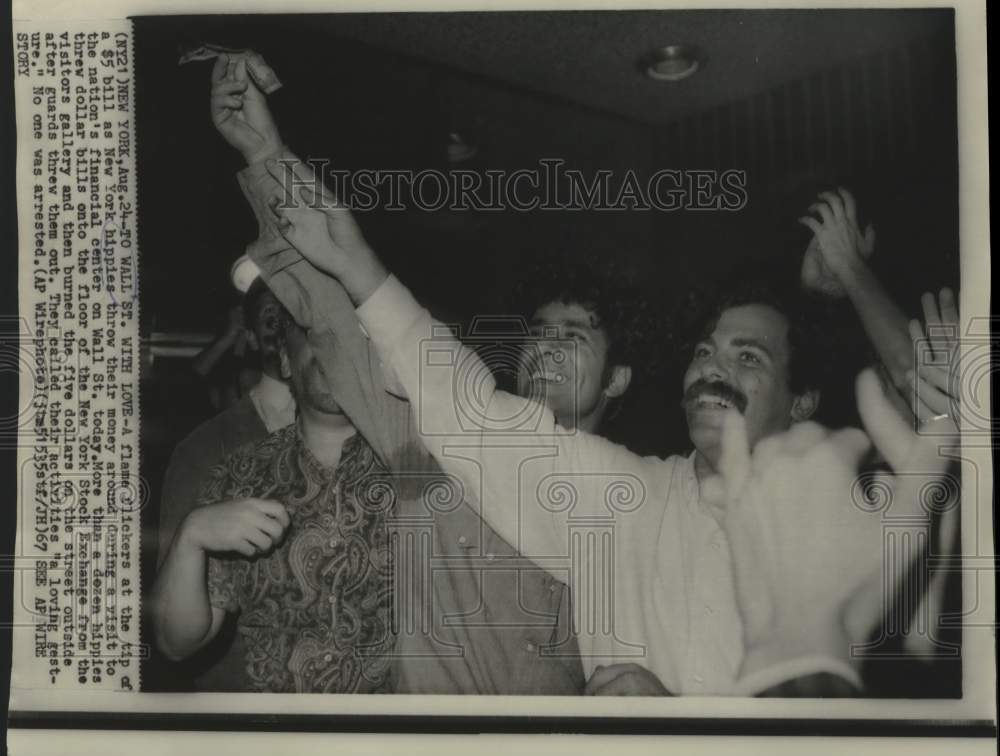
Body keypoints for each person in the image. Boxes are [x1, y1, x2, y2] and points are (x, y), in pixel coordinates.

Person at [264, 157, 958, 697]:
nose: (712, 369)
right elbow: (464, 402)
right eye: (704, 351)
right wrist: (356, 263)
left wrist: (855, 276)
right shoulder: (628, 493)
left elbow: (932, 430)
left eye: (747, 357)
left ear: (802, 401)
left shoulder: (840, 515)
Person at [206, 52, 586, 694]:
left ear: (620, 379)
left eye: (574, 336)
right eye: (539, 332)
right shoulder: (440, 452)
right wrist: (266, 154)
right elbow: (334, 317)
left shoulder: (640, 500)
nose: (547, 348)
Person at [149, 309, 394, 693]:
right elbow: (176, 644)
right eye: (313, 332)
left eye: (346, 336)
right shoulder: (238, 475)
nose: (330, 347)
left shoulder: (420, 476)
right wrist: (190, 537)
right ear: (284, 358)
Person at [157, 276, 295, 572]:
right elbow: (171, 580)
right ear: (252, 338)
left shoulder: (359, 429)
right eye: (272, 318)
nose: (288, 330)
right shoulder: (203, 448)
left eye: (297, 315)